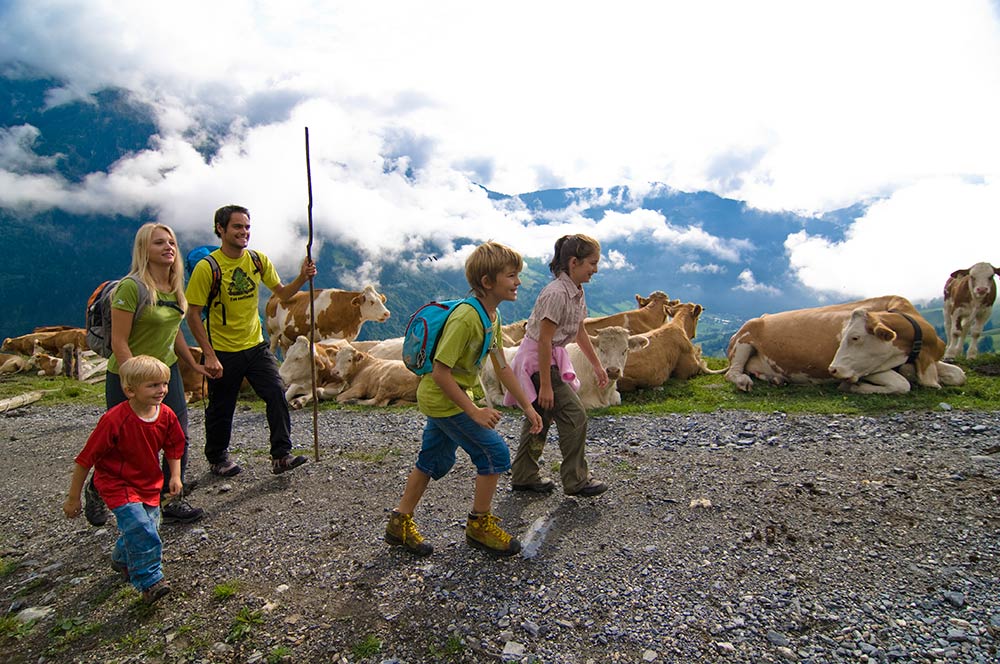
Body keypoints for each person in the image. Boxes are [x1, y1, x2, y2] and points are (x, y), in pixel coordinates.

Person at [385, 241, 543, 557]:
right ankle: (478, 525)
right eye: (511, 275)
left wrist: (527, 405)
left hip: (445, 399)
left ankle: (398, 523)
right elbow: (441, 372)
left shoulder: (492, 317)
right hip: (444, 399)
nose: (518, 282)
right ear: (487, 282)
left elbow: (501, 365)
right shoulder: (466, 319)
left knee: (431, 458)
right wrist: (473, 411)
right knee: (494, 453)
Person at [84, 222, 208, 527]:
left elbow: (173, 331)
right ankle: (97, 489)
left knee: (177, 436)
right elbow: (120, 342)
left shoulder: (177, 288)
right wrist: (135, 380)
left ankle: (169, 499)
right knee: (124, 445)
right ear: (144, 250)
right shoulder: (131, 287)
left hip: (167, 373)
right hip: (128, 377)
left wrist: (194, 365)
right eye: (159, 243)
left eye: (171, 243)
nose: (168, 247)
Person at [185, 204, 316, 476]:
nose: (244, 232)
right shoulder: (207, 268)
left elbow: (282, 294)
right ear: (220, 229)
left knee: (276, 393)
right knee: (222, 407)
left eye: (246, 227)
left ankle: (281, 455)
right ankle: (217, 458)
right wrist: (209, 355)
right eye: (237, 227)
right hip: (222, 349)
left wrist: (302, 277)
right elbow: (193, 313)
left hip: (255, 345)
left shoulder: (257, 260)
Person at [64, 355, 184, 605]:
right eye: (152, 385)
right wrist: (73, 497)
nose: (161, 390)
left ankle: (121, 558)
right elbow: (85, 459)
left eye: (164, 384)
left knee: (147, 527)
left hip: (149, 482)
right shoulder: (114, 420)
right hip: (118, 483)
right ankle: (150, 581)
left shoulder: (167, 415)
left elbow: (174, 446)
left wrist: (174, 476)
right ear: (129, 390)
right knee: (141, 527)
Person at [505, 234, 610, 497]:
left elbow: (579, 330)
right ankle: (576, 480)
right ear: (574, 262)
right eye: (592, 263)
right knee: (574, 414)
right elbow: (544, 339)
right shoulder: (556, 294)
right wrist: (547, 386)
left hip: (549, 357)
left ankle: (523, 475)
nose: (595, 269)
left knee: (539, 418)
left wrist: (597, 366)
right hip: (538, 361)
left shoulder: (576, 291)